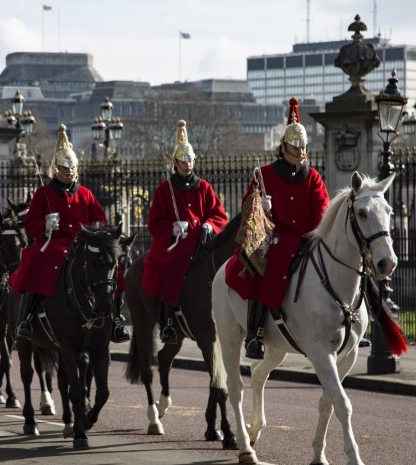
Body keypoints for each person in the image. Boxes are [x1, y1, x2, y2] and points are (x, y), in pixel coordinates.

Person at [224, 97, 333, 359]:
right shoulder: (264, 174)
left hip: (309, 236)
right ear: (283, 148)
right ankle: (255, 333)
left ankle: (351, 321)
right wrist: (261, 206)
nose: (299, 151)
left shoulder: (313, 177)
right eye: (295, 146)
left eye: (302, 146)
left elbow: (322, 209)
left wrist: (318, 231)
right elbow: (248, 212)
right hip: (276, 237)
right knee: (266, 268)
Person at [10, 124, 117, 341]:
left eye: (73, 168)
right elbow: (30, 224)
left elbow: (100, 220)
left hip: (83, 244)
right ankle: (28, 317)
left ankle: (115, 318)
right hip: (54, 243)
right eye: (66, 168)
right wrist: (45, 226)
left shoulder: (85, 194)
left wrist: (99, 235)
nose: (70, 172)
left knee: (111, 265)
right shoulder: (43, 193)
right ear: (56, 169)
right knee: (35, 259)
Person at [142, 119, 229, 345]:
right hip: (175, 243)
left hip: (201, 240)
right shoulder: (165, 189)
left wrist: (210, 225)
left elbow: (219, 214)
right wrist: (171, 228)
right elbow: (154, 222)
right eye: (184, 160)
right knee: (168, 267)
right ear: (176, 162)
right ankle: (167, 321)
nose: (188, 164)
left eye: (190, 159)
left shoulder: (204, 187)